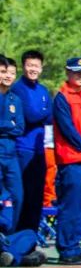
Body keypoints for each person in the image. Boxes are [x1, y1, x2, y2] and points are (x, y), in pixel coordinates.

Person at [51, 57, 81, 265]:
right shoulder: (62, 97)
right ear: (68, 73)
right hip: (71, 160)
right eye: (76, 72)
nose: (80, 76)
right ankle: (66, 249)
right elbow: (67, 129)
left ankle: (75, 246)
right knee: (70, 206)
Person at [11, 50, 51, 233]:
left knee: (37, 197)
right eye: (29, 65)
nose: (33, 69)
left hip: (39, 150)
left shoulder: (43, 90)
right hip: (23, 149)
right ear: (23, 67)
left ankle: (31, 238)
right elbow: (30, 115)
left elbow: (50, 117)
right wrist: (45, 112)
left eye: (36, 66)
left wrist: (43, 113)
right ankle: (19, 237)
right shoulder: (18, 88)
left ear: (41, 68)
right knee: (23, 196)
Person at [0, 56, 24, 225]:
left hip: (11, 153)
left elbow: (20, 128)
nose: (8, 76)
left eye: (12, 73)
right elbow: (12, 126)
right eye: (4, 72)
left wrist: (5, 126)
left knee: (17, 196)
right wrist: (10, 124)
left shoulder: (15, 100)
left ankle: (10, 233)